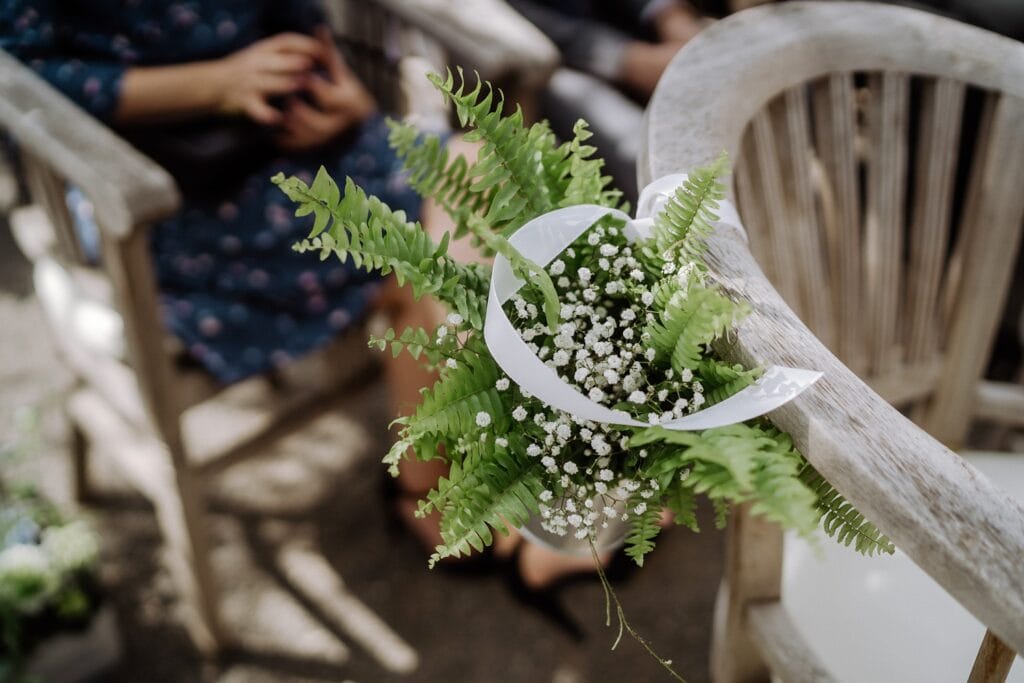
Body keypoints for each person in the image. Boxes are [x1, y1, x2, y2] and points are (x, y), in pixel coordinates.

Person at [1, 0, 417, 385]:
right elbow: (19, 79)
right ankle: (427, 456)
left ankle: (428, 456)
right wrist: (217, 84)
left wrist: (344, 94)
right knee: (432, 268)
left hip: (303, 140)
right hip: (162, 200)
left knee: (464, 181)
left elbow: (298, 15)